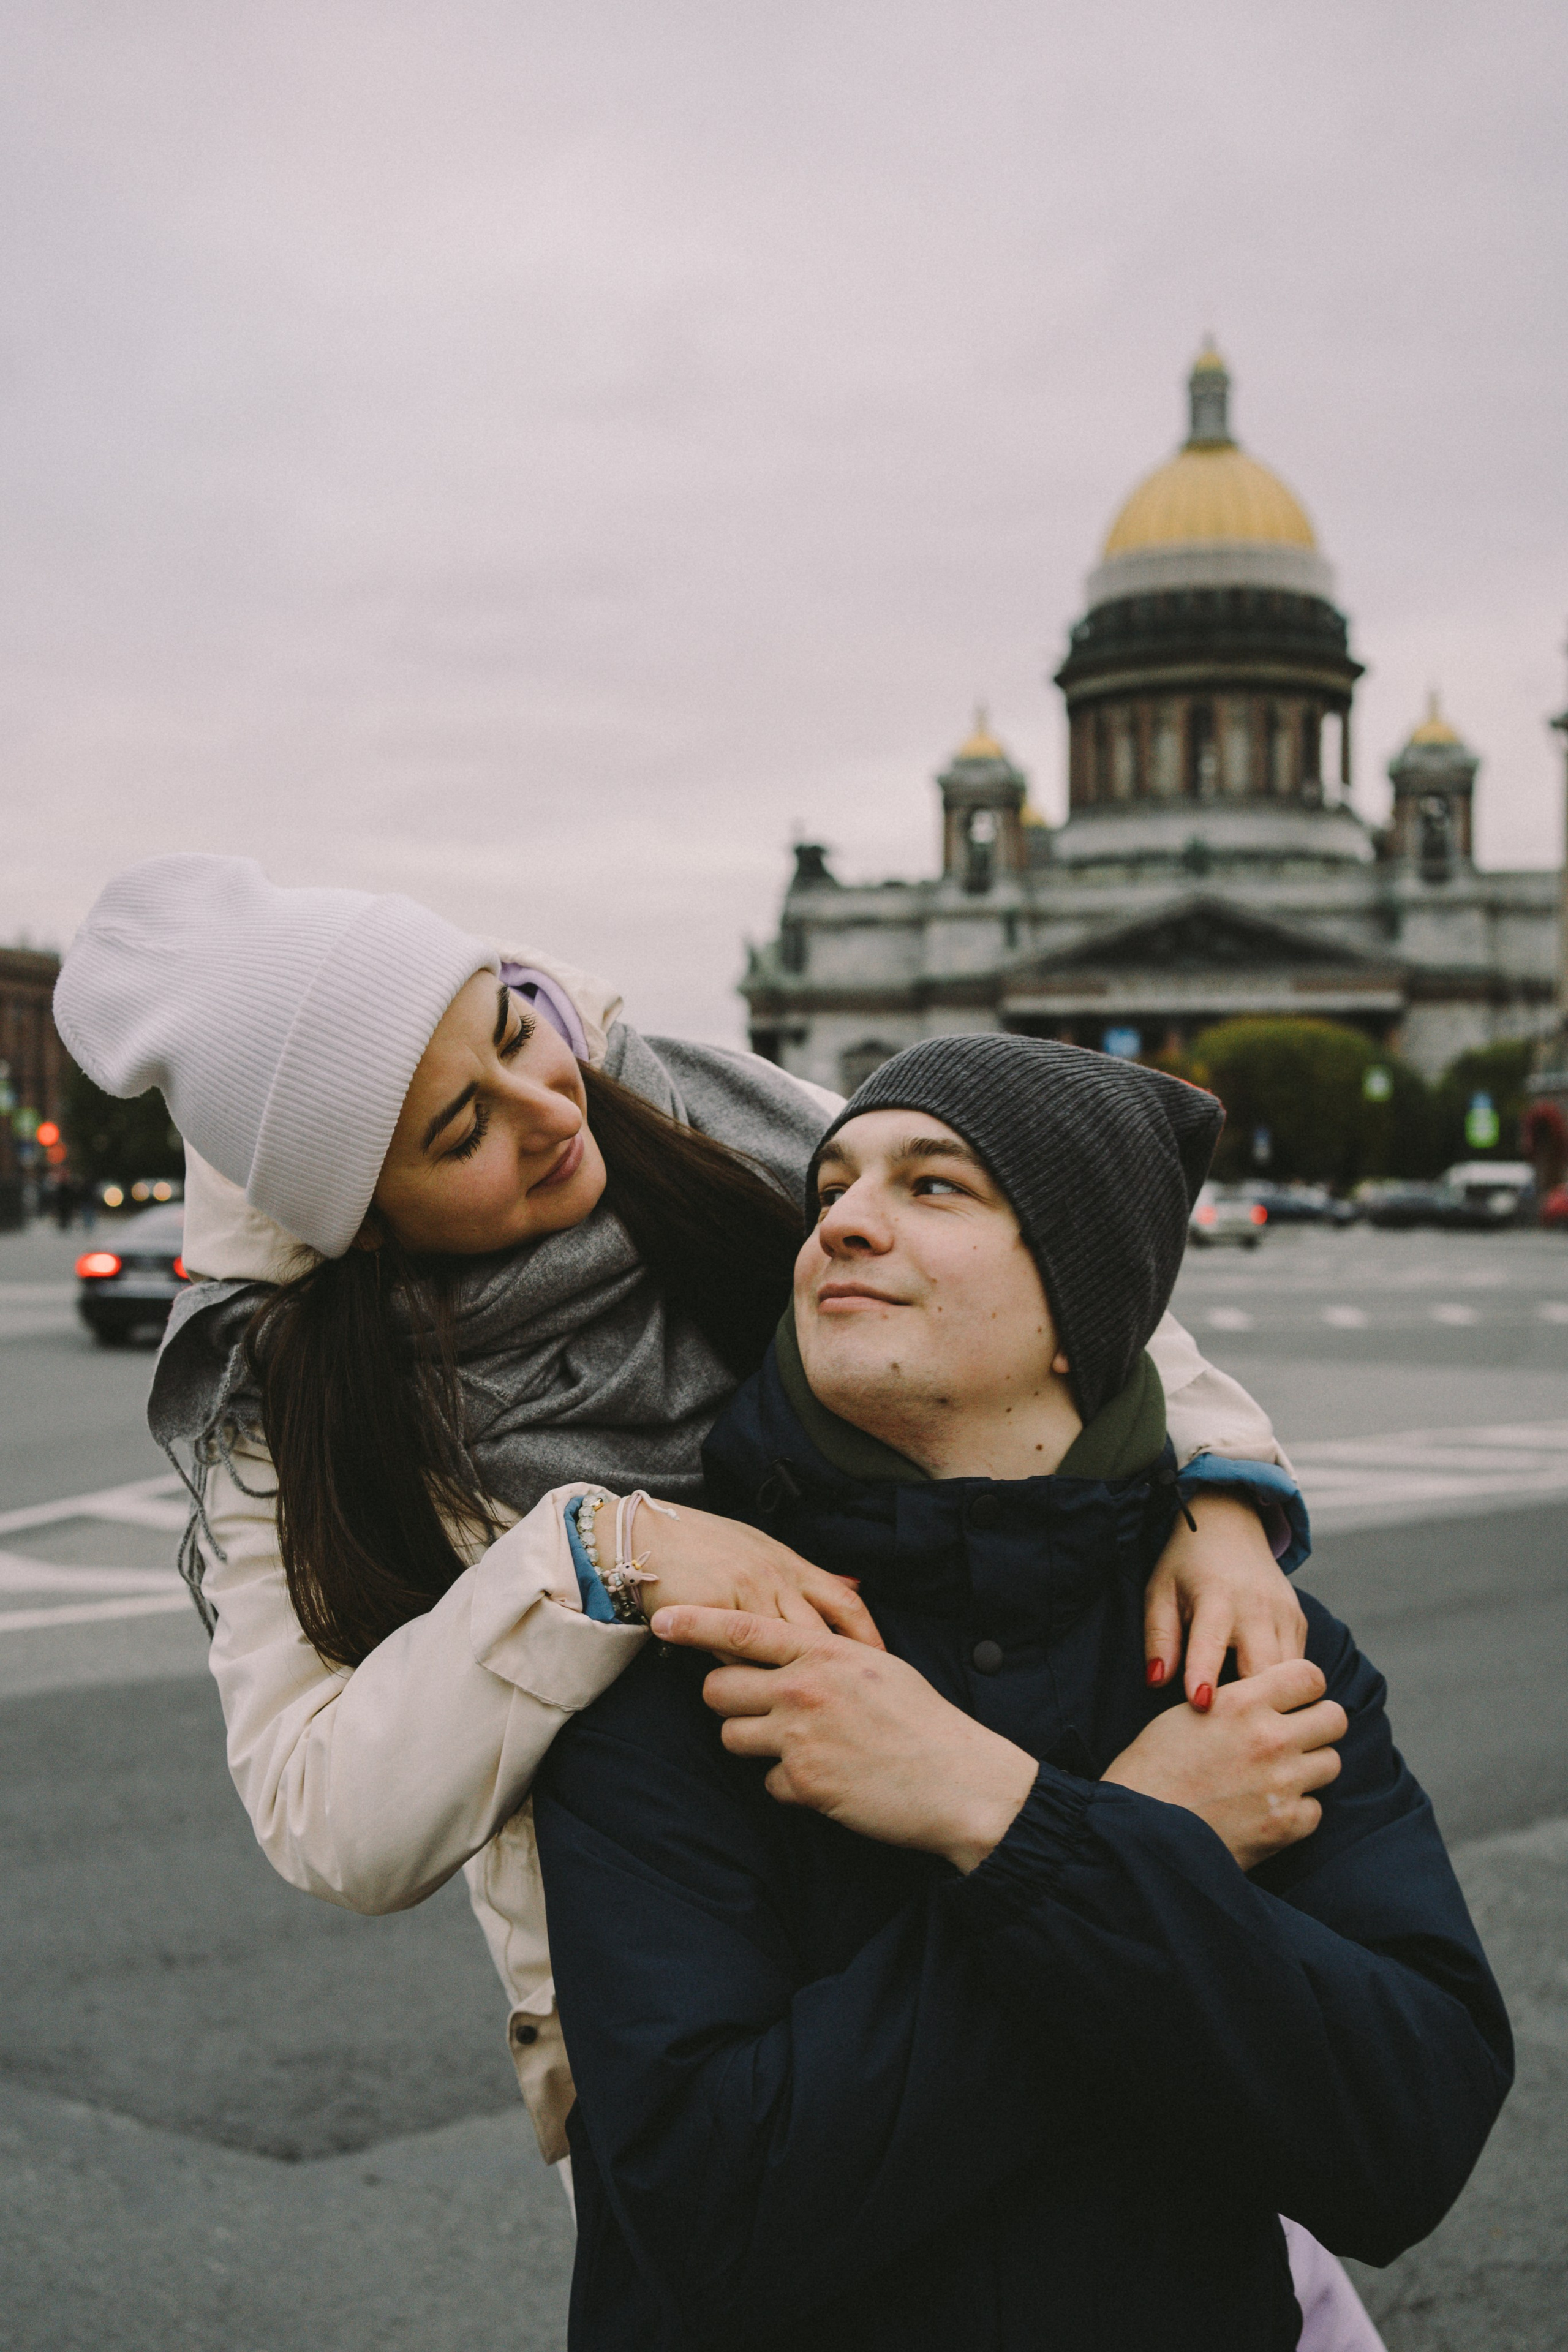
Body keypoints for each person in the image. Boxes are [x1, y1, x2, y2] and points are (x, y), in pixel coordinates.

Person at [56, 856, 1306, 2186]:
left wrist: (1218, 1485)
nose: (545, 1105)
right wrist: (601, 1555)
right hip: (702, 2019)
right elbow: (325, 1817)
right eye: (459, 1134)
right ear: (362, 1228)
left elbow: (1046, 1259)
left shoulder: (703, 1109)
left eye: (510, 1022)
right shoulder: (288, 1397)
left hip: (1009, 1823)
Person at [530, 1036, 1512, 2351]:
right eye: (830, 1193)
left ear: (1081, 1303)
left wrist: (993, 1812)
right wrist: (1122, 1843)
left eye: (932, 1187)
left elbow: (1405, 2138)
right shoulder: (684, 1653)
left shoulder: (1255, 1648)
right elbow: (712, 2219)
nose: (843, 1225)